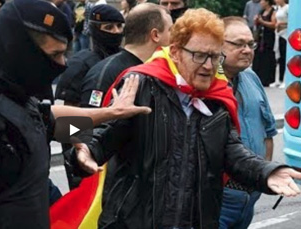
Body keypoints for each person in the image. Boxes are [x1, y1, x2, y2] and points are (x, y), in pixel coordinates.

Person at [74, 8, 301, 229]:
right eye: (199, 56)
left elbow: (232, 151)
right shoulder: (141, 84)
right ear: (175, 52)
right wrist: (81, 147)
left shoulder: (216, 97)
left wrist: (267, 171)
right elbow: (92, 128)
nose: (209, 66)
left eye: (214, 56)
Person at [0, 0, 150, 228]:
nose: (63, 64)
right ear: (20, 52)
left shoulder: (15, 100)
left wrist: (112, 113)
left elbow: (52, 122)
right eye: (54, 55)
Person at [219, 16, 278, 229]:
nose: (247, 50)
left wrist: (262, 179)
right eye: (238, 44)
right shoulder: (205, 83)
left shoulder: (251, 78)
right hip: (220, 198)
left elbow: (268, 130)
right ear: (218, 45)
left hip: (250, 194)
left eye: (250, 44)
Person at [80, 3, 172, 108]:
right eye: (170, 30)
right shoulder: (105, 74)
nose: (175, 36)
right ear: (155, 35)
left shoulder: (158, 68)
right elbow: (86, 119)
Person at [56, 4, 125, 106]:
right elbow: (70, 115)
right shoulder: (80, 64)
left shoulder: (125, 58)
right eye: (109, 27)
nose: (116, 31)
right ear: (96, 30)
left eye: (119, 26)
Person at [252, 0, 276, 87]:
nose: (261, 3)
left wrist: (262, 22)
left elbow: (274, 24)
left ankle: (267, 79)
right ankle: (257, 78)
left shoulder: (273, 11)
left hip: (268, 37)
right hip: (260, 37)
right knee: (258, 57)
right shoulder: (261, 12)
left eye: (262, 1)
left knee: (267, 57)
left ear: (267, 2)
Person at [271, 0, 288, 88]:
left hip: (285, 34)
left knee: (285, 57)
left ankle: (285, 79)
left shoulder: (287, 8)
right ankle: (279, 79)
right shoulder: (277, 8)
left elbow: (292, 20)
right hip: (278, 34)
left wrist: (281, 24)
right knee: (279, 57)